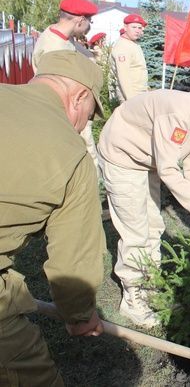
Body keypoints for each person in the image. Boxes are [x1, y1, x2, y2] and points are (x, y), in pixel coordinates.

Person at [97, 67, 190, 328]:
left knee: (154, 225)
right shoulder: (179, 113)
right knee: (135, 229)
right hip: (123, 156)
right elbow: (169, 168)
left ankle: (151, 284)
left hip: (148, 160)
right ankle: (132, 298)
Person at [0, 50, 106, 385]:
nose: (83, 125)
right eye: (89, 116)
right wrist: (79, 316)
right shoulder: (73, 157)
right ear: (80, 96)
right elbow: (74, 258)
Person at [32, 0, 101, 180]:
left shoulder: (62, 38)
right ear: (80, 20)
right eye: (90, 21)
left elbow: (82, 55)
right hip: (65, 113)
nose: (90, 27)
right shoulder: (54, 48)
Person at [110, 14, 148, 103]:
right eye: (134, 27)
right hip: (130, 95)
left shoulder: (132, 43)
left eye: (139, 28)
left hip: (138, 92)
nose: (137, 31)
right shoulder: (123, 47)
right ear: (125, 27)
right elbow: (123, 76)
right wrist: (131, 99)